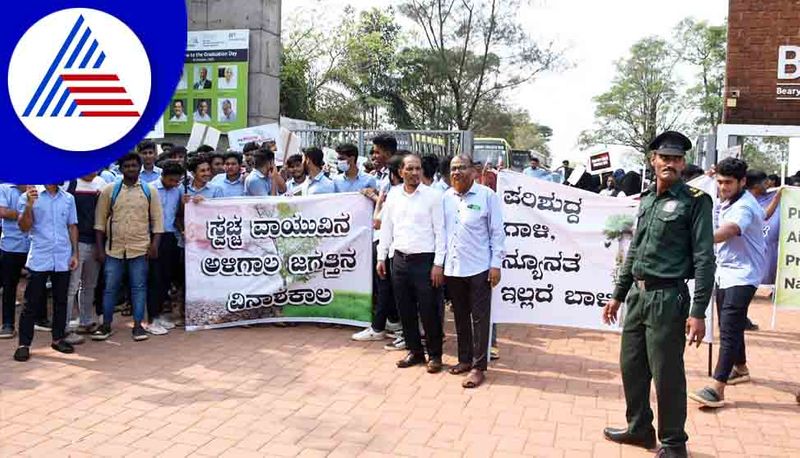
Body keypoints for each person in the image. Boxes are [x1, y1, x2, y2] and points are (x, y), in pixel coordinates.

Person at [601, 131, 715, 458]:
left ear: (684, 164)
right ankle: (639, 428)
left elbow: (705, 258)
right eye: (664, 158)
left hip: (668, 299)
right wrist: (618, 295)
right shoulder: (648, 200)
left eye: (677, 159)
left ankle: (674, 443)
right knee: (631, 366)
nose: (670, 164)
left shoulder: (695, 202)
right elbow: (635, 250)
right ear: (653, 161)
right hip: (638, 297)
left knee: (667, 374)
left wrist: (698, 311)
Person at [689, 158, 766, 409]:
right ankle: (740, 368)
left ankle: (717, 388)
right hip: (726, 272)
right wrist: (712, 176)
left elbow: (729, 230)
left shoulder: (743, 206)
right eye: (720, 182)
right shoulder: (729, 198)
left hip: (743, 275)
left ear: (743, 182)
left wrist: (697, 240)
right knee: (729, 323)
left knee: (729, 330)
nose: (723, 187)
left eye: (728, 183)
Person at [377, 154, 446, 373]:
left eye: (418, 169)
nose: (415, 173)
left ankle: (435, 355)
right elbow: (387, 227)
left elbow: (440, 232)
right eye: (410, 169)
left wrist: (438, 264)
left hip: (425, 262)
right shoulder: (394, 196)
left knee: (429, 311)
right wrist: (382, 256)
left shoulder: (433, 197)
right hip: (399, 260)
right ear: (401, 172)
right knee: (405, 309)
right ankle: (415, 352)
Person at [442, 156, 505, 388]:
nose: (457, 172)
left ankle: (479, 367)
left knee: (480, 319)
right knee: (459, 316)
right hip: (454, 267)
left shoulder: (487, 196)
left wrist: (496, 264)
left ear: (473, 171)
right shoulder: (446, 197)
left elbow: (497, 232)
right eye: (453, 169)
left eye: (461, 168)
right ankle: (464, 360)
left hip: (479, 268)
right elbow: (443, 232)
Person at [92, 153, 164, 342]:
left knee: (139, 288)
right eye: (127, 166)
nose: (131, 169)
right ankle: (106, 324)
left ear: (140, 167)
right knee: (110, 289)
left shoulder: (150, 191)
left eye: (134, 166)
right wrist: (100, 249)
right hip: (113, 249)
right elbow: (99, 222)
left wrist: (154, 245)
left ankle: (138, 326)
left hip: (140, 249)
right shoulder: (110, 190)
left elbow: (157, 222)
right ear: (121, 168)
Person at [13, 185, 79, 362]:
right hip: (40, 257)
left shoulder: (68, 198)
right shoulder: (30, 196)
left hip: (62, 256)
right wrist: (29, 205)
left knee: (61, 300)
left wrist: (75, 253)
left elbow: (72, 226)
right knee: (31, 302)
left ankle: (58, 338)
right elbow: (24, 227)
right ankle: (24, 344)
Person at [63, 172, 107, 344]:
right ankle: (65, 325)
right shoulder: (70, 183)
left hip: (95, 242)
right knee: (72, 286)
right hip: (76, 243)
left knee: (90, 284)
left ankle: (86, 321)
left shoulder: (102, 184)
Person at [147, 162, 184, 335]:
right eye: (171, 180)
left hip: (170, 237)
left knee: (165, 279)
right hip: (154, 236)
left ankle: (160, 314)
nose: (174, 184)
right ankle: (151, 318)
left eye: (177, 181)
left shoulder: (178, 190)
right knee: (155, 279)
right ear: (163, 176)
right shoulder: (150, 189)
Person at [0, 184, 31, 339]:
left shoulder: (38, 188)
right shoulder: (4, 189)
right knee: (9, 286)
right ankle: (7, 324)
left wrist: (16, 213)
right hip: (11, 245)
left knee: (38, 285)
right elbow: (2, 212)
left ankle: (39, 319)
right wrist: (26, 212)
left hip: (33, 245)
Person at [745, 170, 782, 287]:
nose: (768, 185)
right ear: (757, 185)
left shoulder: (751, 200)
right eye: (765, 182)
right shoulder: (745, 202)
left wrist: (776, 198)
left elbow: (764, 215)